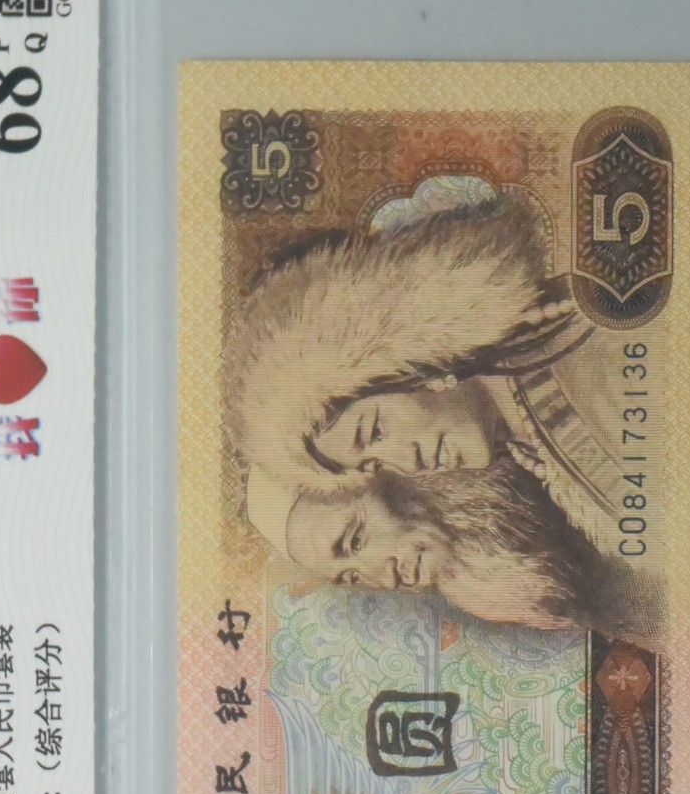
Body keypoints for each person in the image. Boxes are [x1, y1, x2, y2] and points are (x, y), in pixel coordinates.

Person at [224, 188, 647, 556]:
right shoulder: (530, 439)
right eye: (374, 463)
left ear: (413, 363)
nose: (405, 463)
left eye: (374, 431)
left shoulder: (587, 360)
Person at [244, 460, 658, 639]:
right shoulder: (486, 584)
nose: (383, 577)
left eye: (355, 539)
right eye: (352, 577)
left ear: (380, 472)